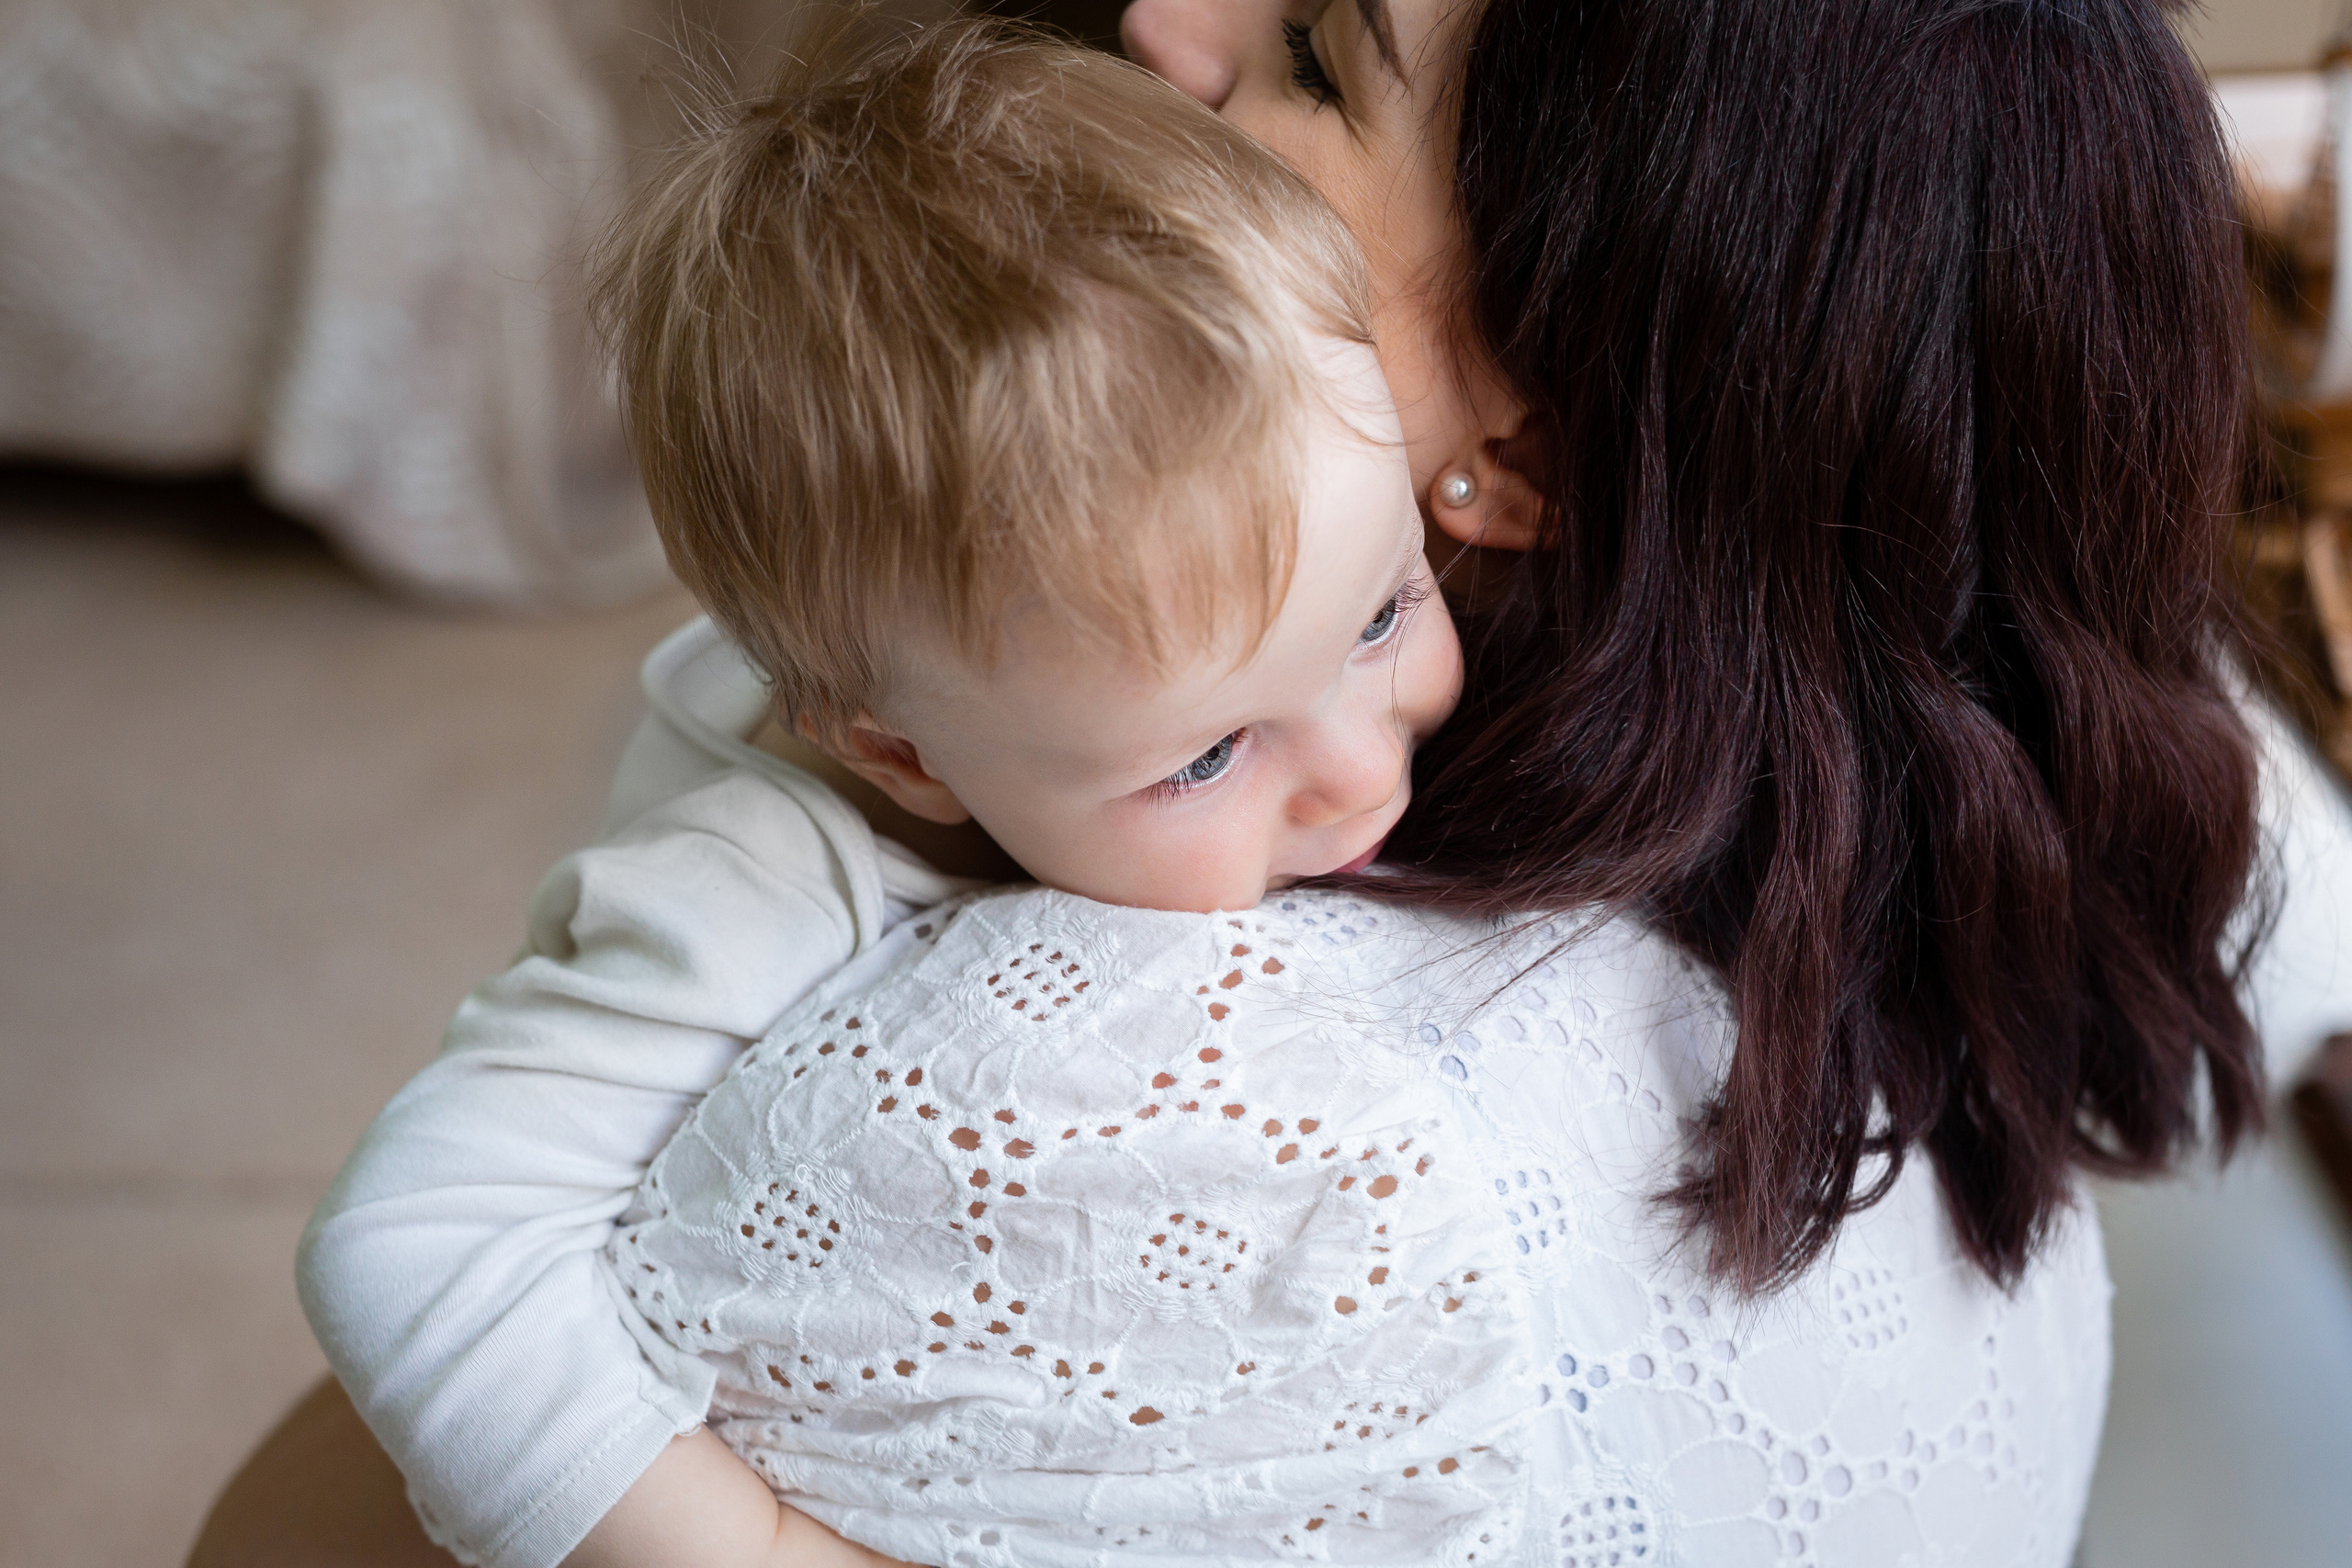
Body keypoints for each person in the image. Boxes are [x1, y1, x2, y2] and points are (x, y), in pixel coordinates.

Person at [192, 3, 2350, 1565]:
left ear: (1509, 453)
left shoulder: (1164, 1120)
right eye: (1204, 747)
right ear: (894, 738)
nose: (1170, 20)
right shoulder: (1969, 754)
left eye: (1321, 53)